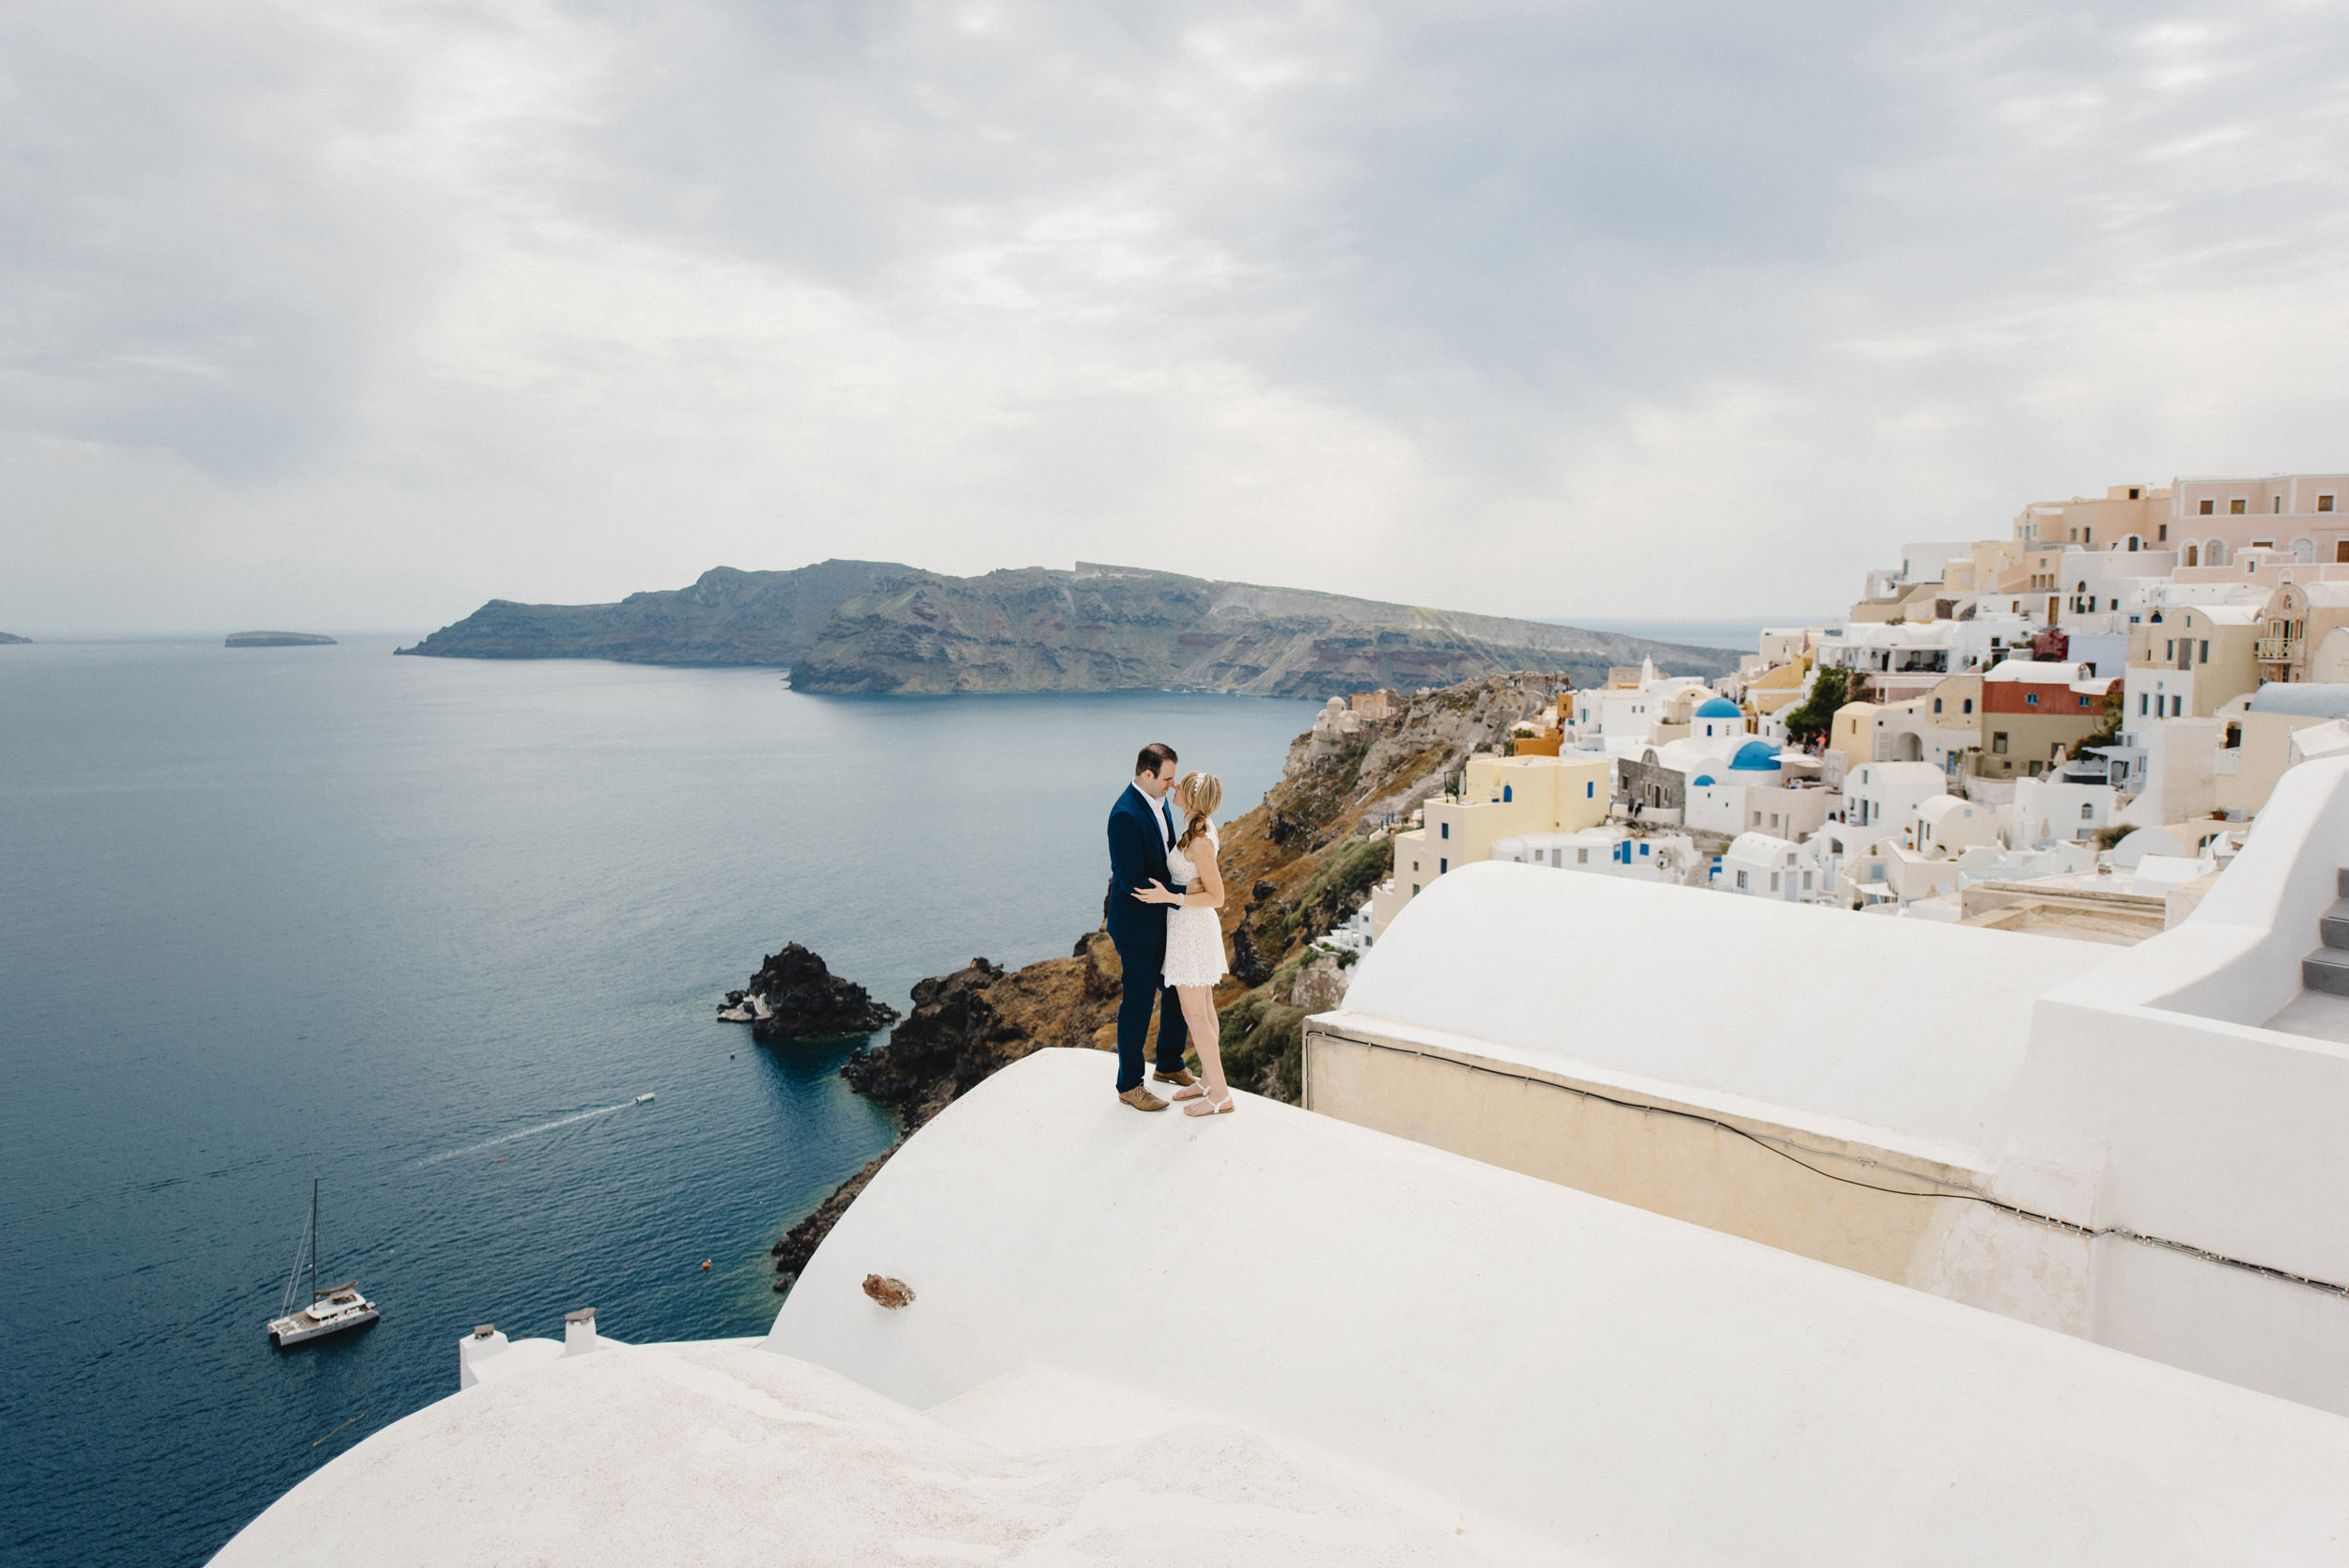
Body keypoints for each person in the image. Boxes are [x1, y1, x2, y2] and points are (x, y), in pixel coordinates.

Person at [1132, 770, 1236, 1115]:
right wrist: (1180, 892)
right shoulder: (1196, 830)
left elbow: (1217, 896)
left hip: (1193, 929)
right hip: (1188, 927)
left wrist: (1169, 896)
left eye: (1181, 785)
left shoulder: (1201, 839)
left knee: (1195, 1014)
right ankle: (1208, 1080)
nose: (1173, 786)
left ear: (1192, 799)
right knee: (1204, 1010)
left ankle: (1220, 1095)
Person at [1103, 743, 1197, 1110]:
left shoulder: (1156, 803)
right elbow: (1133, 882)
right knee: (1138, 1005)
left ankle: (1169, 1064)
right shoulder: (1125, 814)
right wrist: (1184, 892)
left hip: (1163, 922)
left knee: (1176, 989)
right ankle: (1129, 1085)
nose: (1174, 786)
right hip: (1138, 930)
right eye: (1168, 778)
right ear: (1147, 775)